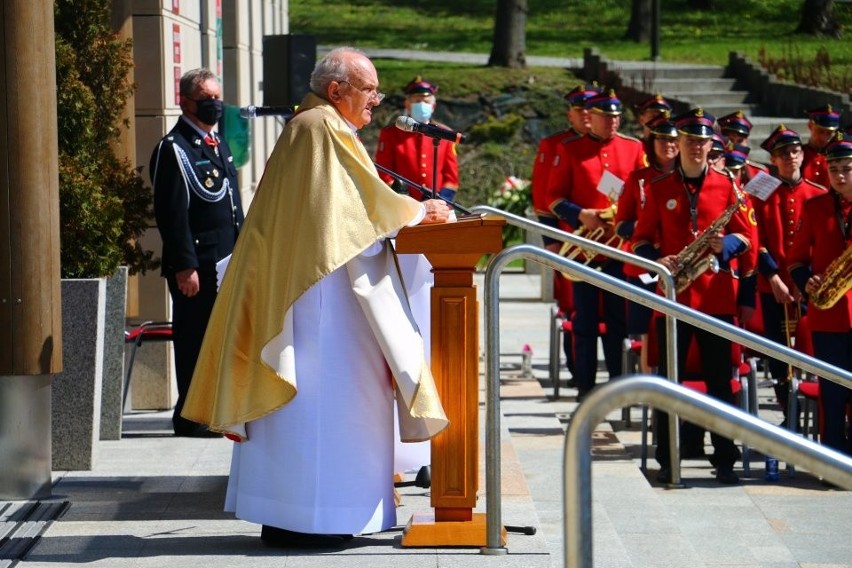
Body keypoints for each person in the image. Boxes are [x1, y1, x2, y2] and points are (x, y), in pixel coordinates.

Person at [180, 47, 451, 548]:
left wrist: (406, 212)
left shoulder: (314, 124)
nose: (376, 100)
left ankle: (290, 516)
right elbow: (357, 218)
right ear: (337, 90)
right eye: (370, 90)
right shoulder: (322, 127)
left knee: (305, 415)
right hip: (322, 303)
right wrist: (420, 214)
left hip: (307, 293)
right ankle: (318, 518)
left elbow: (349, 209)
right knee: (328, 409)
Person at [632, 108, 758, 485]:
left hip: (715, 298)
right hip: (673, 296)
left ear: (709, 145)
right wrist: (657, 259)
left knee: (720, 382)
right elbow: (638, 239)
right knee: (668, 382)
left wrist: (727, 244)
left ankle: (724, 460)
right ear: (679, 145)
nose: (696, 148)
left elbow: (749, 239)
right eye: (689, 142)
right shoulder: (658, 188)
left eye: (702, 142)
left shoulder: (729, 186)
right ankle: (668, 460)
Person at [150, 67, 244, 438]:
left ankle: (215, 409)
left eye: (218, 98)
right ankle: (191, 415)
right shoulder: (173, 149)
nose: (215, 105)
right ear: (186, 102)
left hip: (225, 261)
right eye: (207, 99)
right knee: (194, 340)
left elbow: (232, 206)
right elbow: (172, 215)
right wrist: (185, 266)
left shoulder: (216, 143)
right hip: (198, 267)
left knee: (218, 340)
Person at [544, 89, 647, 400]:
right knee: (585, 321)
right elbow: (553, 199)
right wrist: (582, 215)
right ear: (592, 118)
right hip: (585, 247)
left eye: (616, 117)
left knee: (618, 320)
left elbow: (644, 192)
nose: (612, 122)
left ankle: (617, 384)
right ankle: (586, 387)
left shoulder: (633, 147)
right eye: (606, 117)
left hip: (618, 247)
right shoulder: (570, 148)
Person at [752, 126, 826, 427]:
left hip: (809, 287)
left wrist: (803, 281)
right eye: (783, 154)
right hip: (774, 287)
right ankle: (788, 412)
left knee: (814, 350)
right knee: (778, 352)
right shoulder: (761, 192)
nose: (791, 157)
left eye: (795, 151)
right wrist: (774, 278)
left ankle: (819, 412)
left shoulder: (818, 194)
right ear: (773, 159)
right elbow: (755, 240)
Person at [531, 83, 601, 384]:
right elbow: (544, 201)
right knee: (575, 307)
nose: (586, 115)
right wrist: (553, 243)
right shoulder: (556, 145)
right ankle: (578, 369)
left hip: (608, 244)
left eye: (591, 109)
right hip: (571, 242)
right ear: (569, 114)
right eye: (580, 109)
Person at [788, 133, 852, 457]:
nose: (840, 176)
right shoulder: (814, 208)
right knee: (831, 394)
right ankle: (832, 461)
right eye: (834, 169)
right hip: (829, 316)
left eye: (846, 168)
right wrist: (806, 280)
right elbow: (796, 260)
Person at [615, 116, 679, 373]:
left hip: (678, 264)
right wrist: (647, 231)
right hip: (643, 266)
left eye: (674, 140)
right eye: (662, 139)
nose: (668, 145)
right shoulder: (637, 179)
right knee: (646, 334)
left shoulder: (688, 181)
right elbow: (621, 224)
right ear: (651, 143)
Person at [375, 76, 459, 201]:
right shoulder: (391, 134)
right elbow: (384, 173)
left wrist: (441, 202)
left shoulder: (445, 135)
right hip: (403, 207)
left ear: (433, 106)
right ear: (407, 104)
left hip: (437, 207)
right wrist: (405, 201)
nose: (422, 105)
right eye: (417, 101)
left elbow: (451, 179)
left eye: (426, 101)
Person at [801, 104, 842, 188]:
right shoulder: (797, 155)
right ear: (810, 126)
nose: (824, 138)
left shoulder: (840, 157)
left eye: (829, 133)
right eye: (820, 131)